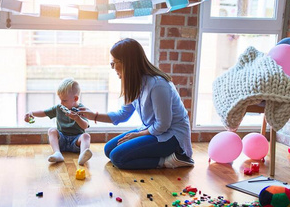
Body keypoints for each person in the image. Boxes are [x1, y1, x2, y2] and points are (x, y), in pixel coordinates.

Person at [78, 38, 193, 170]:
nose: (113, 67)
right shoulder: (134, 83)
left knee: (118, 158)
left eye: (114, 63)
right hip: (153, 130)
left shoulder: (157, 85)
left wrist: (138, 135)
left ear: (127, 63)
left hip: (171, 136)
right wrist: (93, 116)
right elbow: (123, 115)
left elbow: (163, 125)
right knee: (109, 149)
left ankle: (171, 160)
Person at [24, 78, 93, 165]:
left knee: (86, 136)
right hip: (62, 139)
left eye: (64, 100)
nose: (61, 102)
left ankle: (82, 156)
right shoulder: (59, 107)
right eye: (60, 99)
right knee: (52, 130)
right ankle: (57, 153)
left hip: (76, 141)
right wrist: (32, 113)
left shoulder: (82, 110)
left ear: (75, 98)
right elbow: (44, 112)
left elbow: (85, 126)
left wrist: (77, 118)